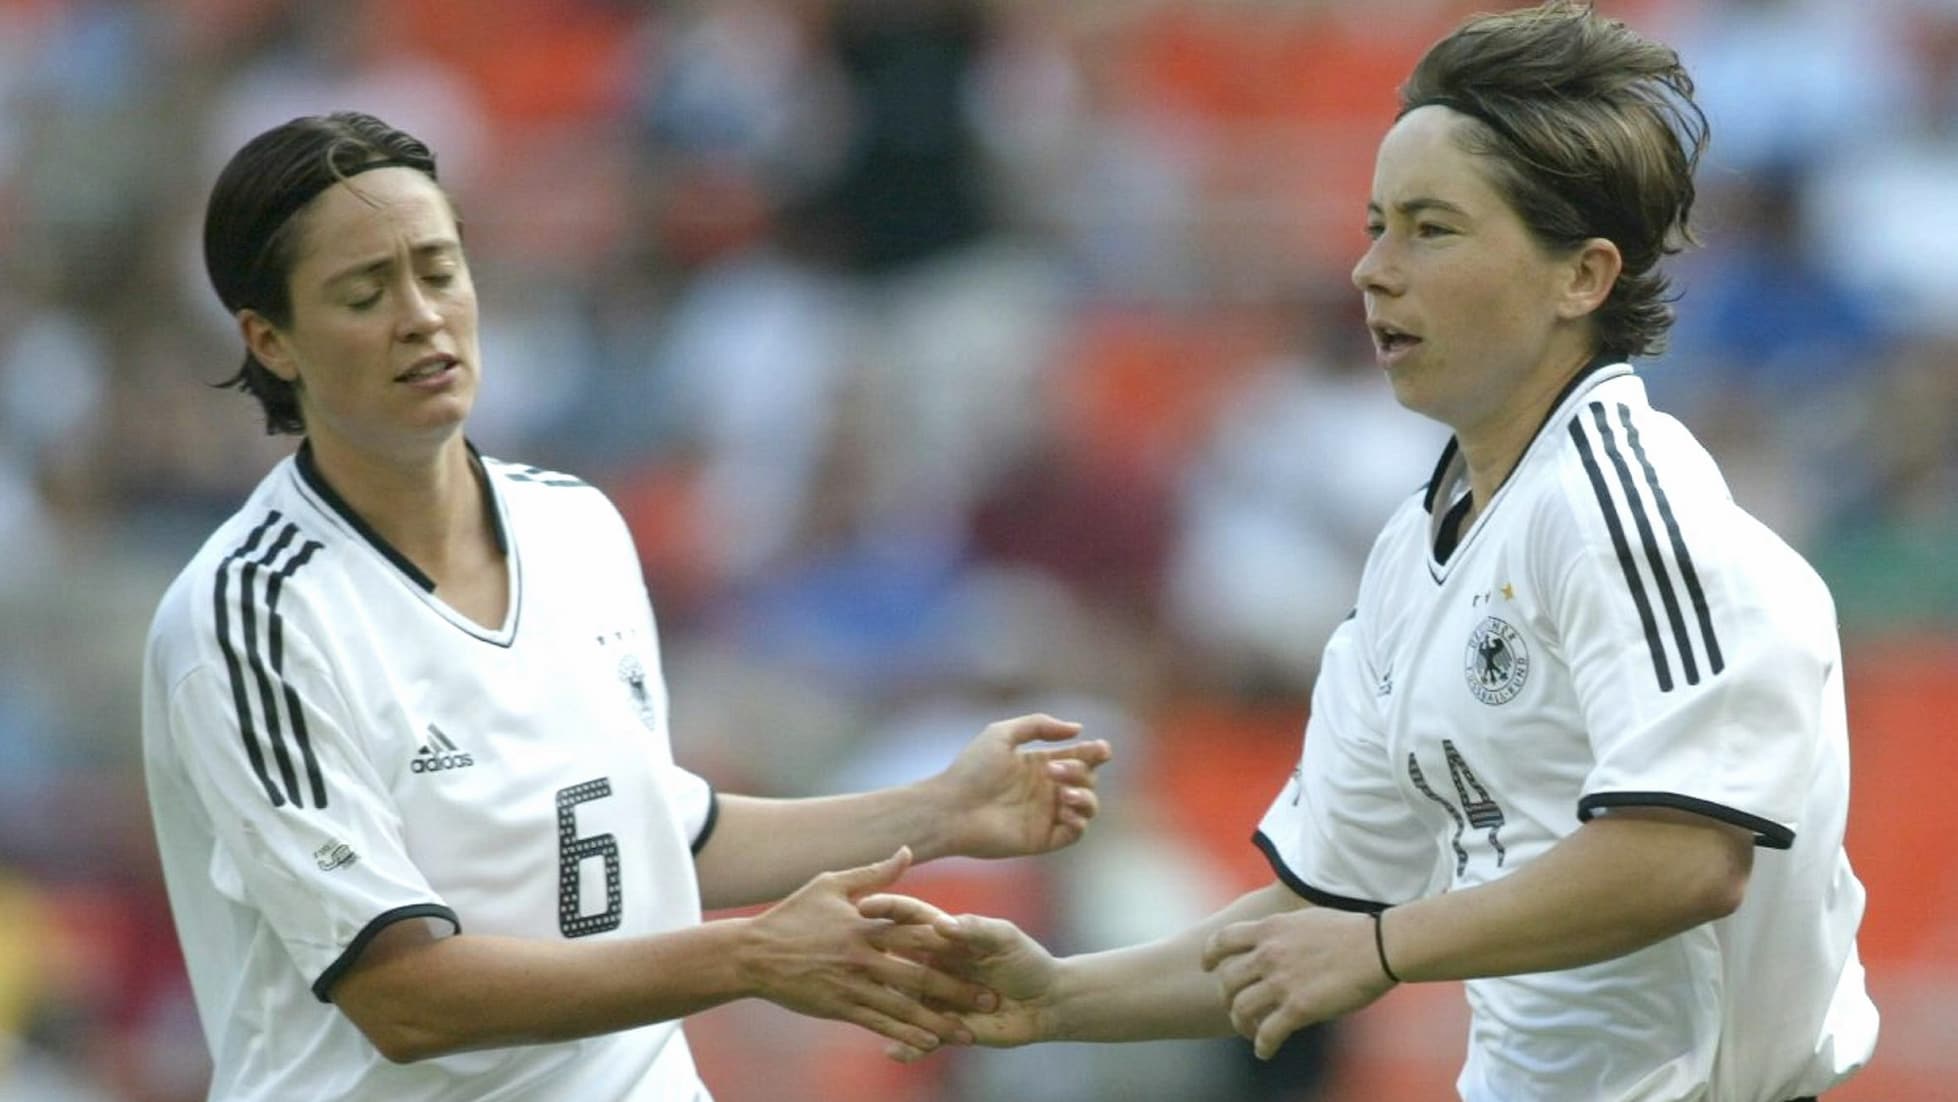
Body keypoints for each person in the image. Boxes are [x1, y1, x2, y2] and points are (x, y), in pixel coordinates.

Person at [859, 4, 1879, 1100]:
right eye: (1373, 223)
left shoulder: (1624, 504)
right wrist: (1060, 998)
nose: (1369, 271)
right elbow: (1321, 909)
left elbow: (1685, 856)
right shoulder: (1414, 547)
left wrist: (1387, 946)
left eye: (1430, 229)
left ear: (1579, 277)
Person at [139, 110, 1113, 1102]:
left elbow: (652, 831)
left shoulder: (578, 526)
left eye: (438, 270)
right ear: (272, 340)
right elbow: (407, 999)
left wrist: (939, 810)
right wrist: (749, 959)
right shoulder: (251, 618)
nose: (421, 315)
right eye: (363, 292)